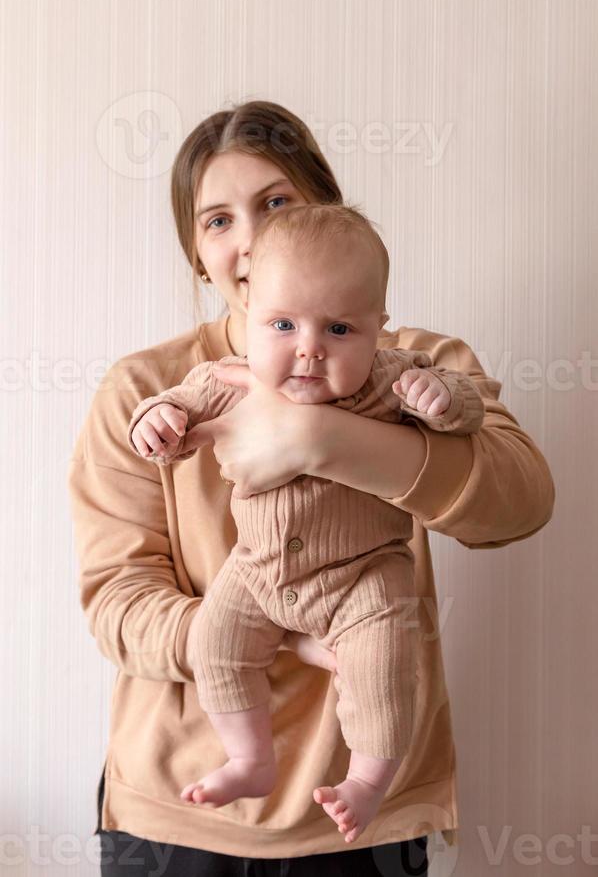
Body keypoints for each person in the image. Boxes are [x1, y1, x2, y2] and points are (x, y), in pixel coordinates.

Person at [68, 100, 555, 876]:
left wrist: (324, 440)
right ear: (199, 255)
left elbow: (521, 502)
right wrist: (271, 640)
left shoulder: (414, 365)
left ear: (325, 210)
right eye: (217, 220)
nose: (252, 236)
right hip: (180, 813)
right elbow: (117, 601)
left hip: (364, 819)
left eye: (275, 203)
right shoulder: (153, 390)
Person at [126, 203, 485, 846]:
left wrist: (443, 402)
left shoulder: (393, 380)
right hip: (257, 567)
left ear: (380, 328)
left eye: (340, 328)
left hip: (363, 572)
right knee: (216, 643)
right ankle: (249, 758)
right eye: (283, 324)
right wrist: (157, 421)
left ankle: (369, 780)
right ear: (249, 317)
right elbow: (172, 407)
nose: (310, 348)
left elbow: (464, 406)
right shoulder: (224, 378)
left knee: (381, 664)